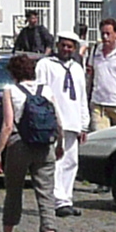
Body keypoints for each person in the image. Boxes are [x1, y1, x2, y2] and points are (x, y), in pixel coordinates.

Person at [0, 51, 62, 232]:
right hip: (45, 146)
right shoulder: (46, 90)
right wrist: (61, 145)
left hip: (19, 145)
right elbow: (58, 120)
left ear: (13, 73)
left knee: (13, 193)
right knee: (46, 195)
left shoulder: (10, 91)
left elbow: (7, 125)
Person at [38, 32, 90, 219]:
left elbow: (82, 96)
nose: (66, 49)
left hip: (73, 121)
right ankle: (57, 201)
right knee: (56, 162)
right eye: (63, 45)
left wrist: (84, 124)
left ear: (74, 48)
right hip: (54, 121)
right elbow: (41, 91)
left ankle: (66, 199)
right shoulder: (46, 65)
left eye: (70, 46)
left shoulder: (77, 68)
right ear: (57, 45)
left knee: (71, 162)